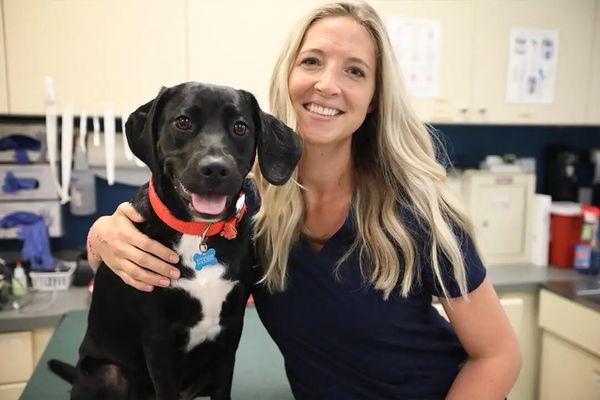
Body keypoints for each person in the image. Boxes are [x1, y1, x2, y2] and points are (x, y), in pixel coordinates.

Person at [87, 1, 521, 398]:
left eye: (355, 71)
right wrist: (103, 234)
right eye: (312, 61)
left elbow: (499, 355)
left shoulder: (418, 214)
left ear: (373, 98)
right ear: (288, 76)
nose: (328, 84)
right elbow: (167, 228)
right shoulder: (254, 211)